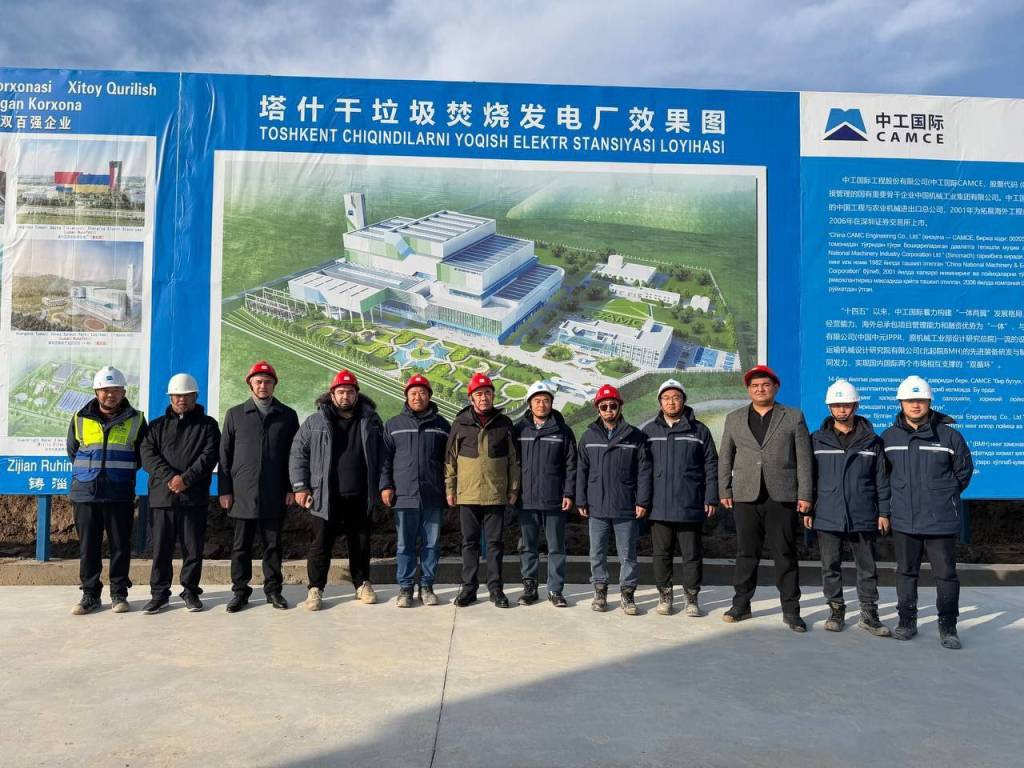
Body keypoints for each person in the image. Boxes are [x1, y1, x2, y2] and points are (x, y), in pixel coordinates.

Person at [719, 365, 813, 632]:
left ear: (776, 387)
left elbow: (804, 459)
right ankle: (741, 604)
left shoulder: (793, 416)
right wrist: (724, 489)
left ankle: (791, 610)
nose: (760, 389)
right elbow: (725, 456)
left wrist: (805, 494)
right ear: (748, 390)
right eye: (755, 386)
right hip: (745, 495)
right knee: (746, 553)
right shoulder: (734, 418)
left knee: (785, 553)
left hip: (781, 495)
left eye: (765, 385)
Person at [882, 375, 973, 649]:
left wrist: (943, 495)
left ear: (929, 402)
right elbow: (882, 477)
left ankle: (948, 626)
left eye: (920, 400)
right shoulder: (889, 438)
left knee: (945, 575)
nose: (915, 405)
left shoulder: (950, 436)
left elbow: (963, 473)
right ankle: (907, 621)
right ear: (901, 403)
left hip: (940, 521)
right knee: (905, 573)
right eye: (910, 400)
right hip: (904, 520)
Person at [290, 369, 386, 611]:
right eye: (341, 392)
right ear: (332, 394)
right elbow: (298, 454)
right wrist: (300, 486)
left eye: (350, 392)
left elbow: (383, 456)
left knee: (360, 544)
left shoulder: (371, 421)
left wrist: (383, 485)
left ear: (357, 394)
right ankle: (315, 588)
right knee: (321, 544)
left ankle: (362, 584)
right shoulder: (315, 422)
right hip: (325, 496)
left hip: (359, 495)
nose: (345, 396)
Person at [804, 379, 891, 637]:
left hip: (863, 513)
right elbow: (809, 477)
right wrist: (807, 509)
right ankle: (836, 610)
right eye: (836, 405)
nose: (841, 410)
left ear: (856, 406)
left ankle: (869, 614)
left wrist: (883, 512)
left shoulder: (872, 441)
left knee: (867, 567)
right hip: (827, 512)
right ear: (829, 407)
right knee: (830, 566)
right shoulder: (816, 440)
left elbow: (882, 480)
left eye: (846, 405)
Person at [218, 361, 299, 612]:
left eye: (268, 382)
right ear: (250, 384)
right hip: (242, 493)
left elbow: (295, 456)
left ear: (274, 385)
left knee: (272, 545)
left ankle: (273, 591)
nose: (263, 385)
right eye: (258, 381)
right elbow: (224, 456)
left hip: (274, 492)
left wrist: (291, 488)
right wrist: (225, 490)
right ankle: (240, 592)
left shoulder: (287, 415)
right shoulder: (235, 414)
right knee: (241, 546)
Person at [66, 366, 147, 615]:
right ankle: (90, 594)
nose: (110, 395)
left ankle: (119, 593)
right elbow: (73, 451)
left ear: (124, 392)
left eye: (115, 390)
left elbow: (141, 455)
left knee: (120, 546)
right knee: (88, 547)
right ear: (96, 392)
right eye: (105, 390)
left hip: (119, 492)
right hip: (86, 493)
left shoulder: (136, 419)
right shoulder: (79, 417)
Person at [139, 373, 220, 614]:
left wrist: (186, 479)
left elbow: (209, 457)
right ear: (170, 397)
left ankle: (191, 592)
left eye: (186, 395)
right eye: (176, 395)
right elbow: (148, 456)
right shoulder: (156, 426)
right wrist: (171, 478)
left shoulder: (208, 426)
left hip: (193, 498)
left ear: (195, 396)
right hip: (162, 498)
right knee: (160, 549)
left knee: (193, 549)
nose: (181, 399)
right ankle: (159, 594)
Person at [642, 379, 718, 617]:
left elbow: (711, 465)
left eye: (676, 397)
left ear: (684, 401)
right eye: (666, 398)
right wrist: (642, 501)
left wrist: (711, 497)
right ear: (660, 402)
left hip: (690, 504)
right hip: (658, 505)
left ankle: (692, 598)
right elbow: (642, 469)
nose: (671, 402)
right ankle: (665, 596)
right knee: (661, 554)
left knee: (691, 554)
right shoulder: (649, 431)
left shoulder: (699, 431)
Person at [445, 372, 520, 608]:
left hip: (495, 494)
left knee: (495, 544)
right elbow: (450, 460)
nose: (484, 397)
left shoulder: (504, 423)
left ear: (493, 396)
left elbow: (514, 460)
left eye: (488, 393)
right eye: (479, 394)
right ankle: (469, 589)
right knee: (469, 543)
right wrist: (450, 489)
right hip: (468, 494)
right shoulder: (460, 424)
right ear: (471, 398)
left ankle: (496, 589)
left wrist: (513, 488)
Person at [577, 384, 652, 615]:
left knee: (627, 554)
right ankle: (600, 592)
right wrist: (581, 500)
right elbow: (581, 470)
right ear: (597, 409)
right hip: (597, 505)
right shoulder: (588, 437)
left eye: (613, 405)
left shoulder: (635, 436)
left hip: (625, 505)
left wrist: (642, 501)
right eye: (604, 406)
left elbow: (644, 472)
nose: (608, 410)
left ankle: (627, 595)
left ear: (620, 407)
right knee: (596, 552)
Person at [380, 374, 450, 608]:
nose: (417, 397)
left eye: (422, 392)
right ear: (406, 396)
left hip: (433, 495)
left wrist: (450, 489)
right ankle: (406, 587)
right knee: (405, 545)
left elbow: (450, 461)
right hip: (404, 495)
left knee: (431, 544)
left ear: (429, 396)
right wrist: (386, 485)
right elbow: (385, 460)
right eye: (413, 393)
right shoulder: (393, 425)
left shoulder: (442, 426)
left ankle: (427, 586)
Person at [513, 381, 577, 608]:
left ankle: (555, 589)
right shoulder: (519, 430)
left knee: (556, 546)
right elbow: (512, 463)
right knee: (527, 546)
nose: (541, 404)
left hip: (554, 499)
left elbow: (571, 465)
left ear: (551, 403)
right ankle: (530, 588)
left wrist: (569, 492)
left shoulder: (563, 431)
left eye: (546, 400)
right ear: (530, 404)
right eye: (537, 400)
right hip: (526, 500)